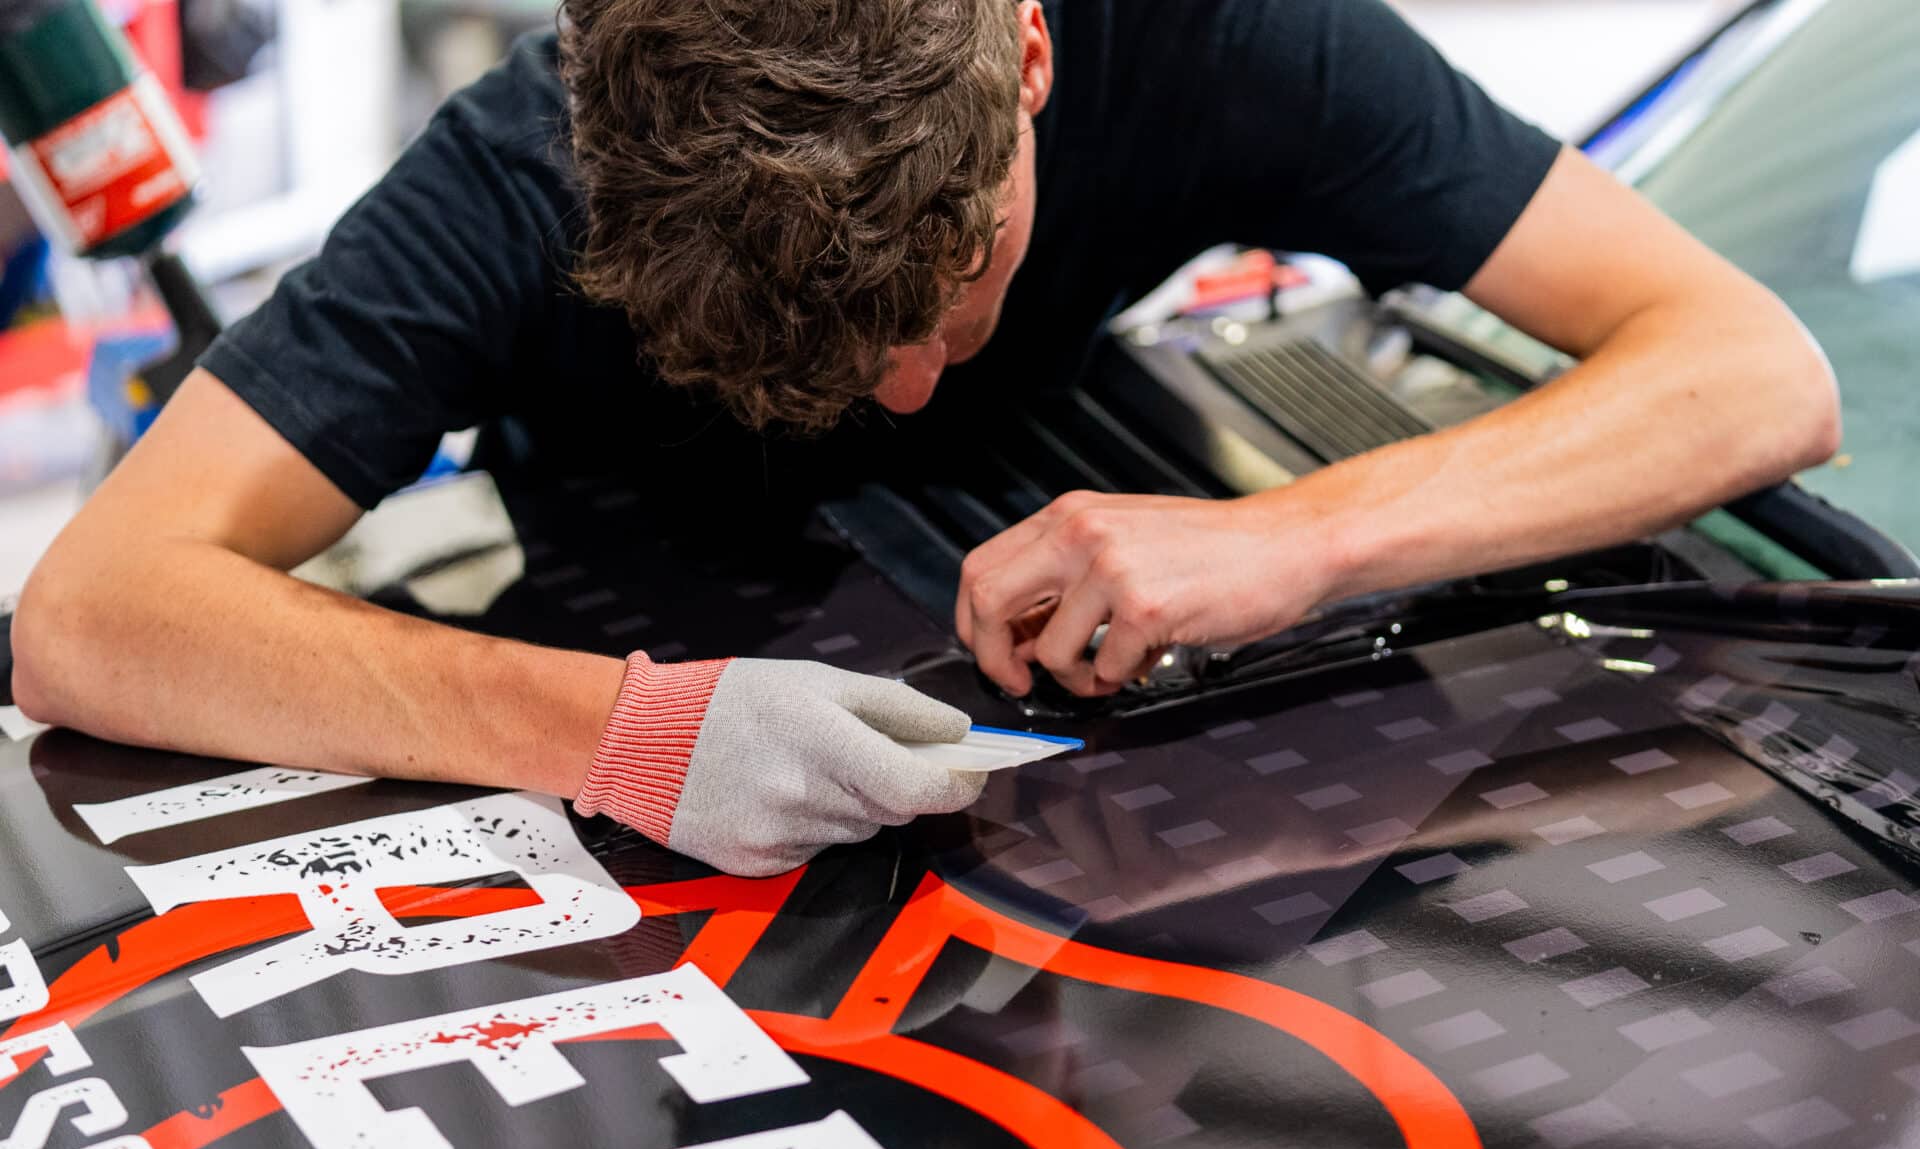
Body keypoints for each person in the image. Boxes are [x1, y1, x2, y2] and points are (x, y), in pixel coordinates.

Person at [11, 0, 1838, 876]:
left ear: (1031, 58)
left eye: (948, 297)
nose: (905, 384)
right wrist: (617, 728)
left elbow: (1756, 370)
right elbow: (91, 613)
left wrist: (1303, 535)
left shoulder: (1223, 37)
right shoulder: (525, 164)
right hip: (648, 786)